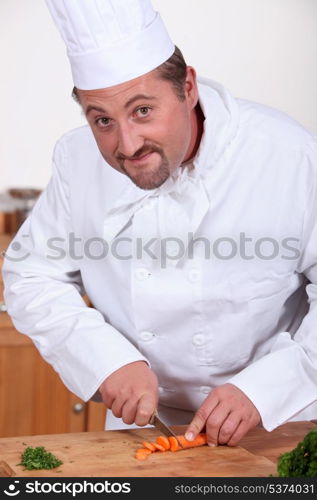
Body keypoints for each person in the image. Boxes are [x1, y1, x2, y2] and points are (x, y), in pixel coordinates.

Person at [3, 0, 317, 448]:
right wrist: (106, 360)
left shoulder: (290, 155)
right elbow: (32, 274)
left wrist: (267, 388)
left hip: (278, 423)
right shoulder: (77, 160)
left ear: (187, 87)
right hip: (146, 433)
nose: (127, 145)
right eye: (103, 120)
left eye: (143, 111)